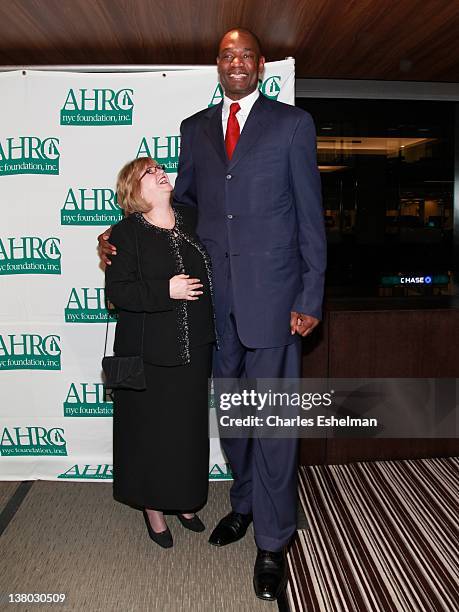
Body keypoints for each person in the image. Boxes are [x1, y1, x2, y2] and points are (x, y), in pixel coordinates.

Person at [99, 28, 326, 600]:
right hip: (213, 309)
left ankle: (273, 541)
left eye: (247, 54)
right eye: (228, 55)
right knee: (235, 422)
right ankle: (245, 504)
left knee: (273, 426)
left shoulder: (291, 125)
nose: (237, 62)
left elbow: (309, 217)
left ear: (261, 65)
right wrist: (120, 236)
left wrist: (309, 297)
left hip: (277, 305)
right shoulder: (195, 129)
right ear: (217, 66)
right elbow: (184, 207)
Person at [105, 157, 215, 549]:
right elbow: (118, 293)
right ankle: (153, 507)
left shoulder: (195, 218)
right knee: (150, 434)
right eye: (147, 173)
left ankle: (184, 501)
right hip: (148, 354)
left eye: (158, 168)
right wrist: (164, 291)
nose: (159, 173)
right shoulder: (124, 233)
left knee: (186, 432)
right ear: (134, 191)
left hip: (196, 348)